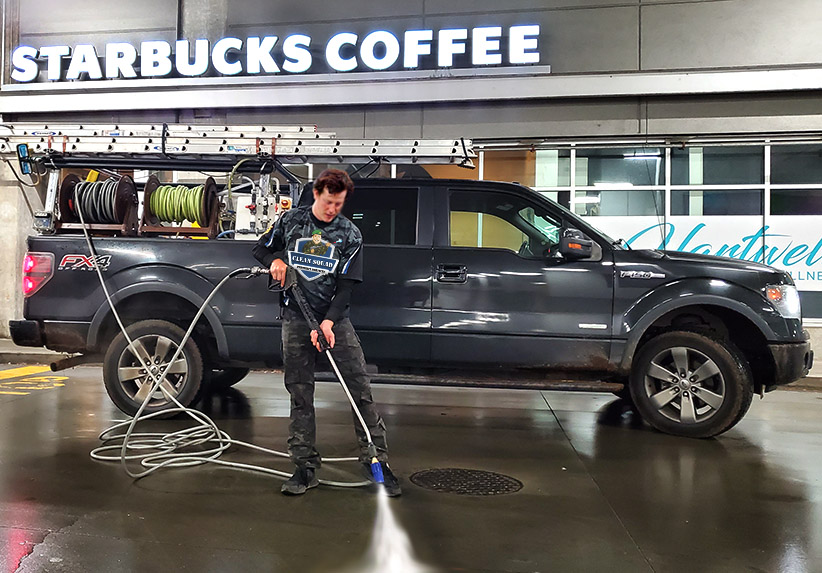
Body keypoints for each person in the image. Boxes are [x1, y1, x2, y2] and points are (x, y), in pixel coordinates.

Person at [252, 168, 401, 496]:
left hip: (335, 321)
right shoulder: (291, 222)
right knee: (300, 393)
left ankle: (377, 462)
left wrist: (329, 322)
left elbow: (346, 287)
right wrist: (276, 261)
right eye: (329, 201)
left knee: (359, 389)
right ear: (317, 194)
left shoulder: (349, 234)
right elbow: (260, 249)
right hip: (295, 319)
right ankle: (304, 467)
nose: (333, 209)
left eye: (339, 203)